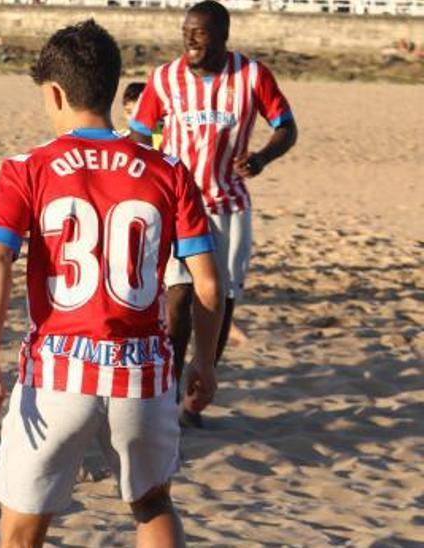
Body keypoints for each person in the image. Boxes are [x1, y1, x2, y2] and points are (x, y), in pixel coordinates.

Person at [0, 20, 223, 544]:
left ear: (56, 92)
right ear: (112, 87)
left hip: (59, 369)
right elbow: (207, 283)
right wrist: (202, 359)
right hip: (143, 373)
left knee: (21, 525)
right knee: (152, 504)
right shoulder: (169, 170)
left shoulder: (27, 168)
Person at [128, 0, 298, 427]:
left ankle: (197, 395)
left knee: (219, 301)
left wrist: (261, 158)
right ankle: (166, 393)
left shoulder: (252, 76)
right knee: (178, 297)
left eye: (199, 33)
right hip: (178, 206)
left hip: (228, 206)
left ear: (222, 35)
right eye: (185, 31)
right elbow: (139, 134)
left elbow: (286, 127)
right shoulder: (165, 79)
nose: (190, 39)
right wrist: (147, 177)